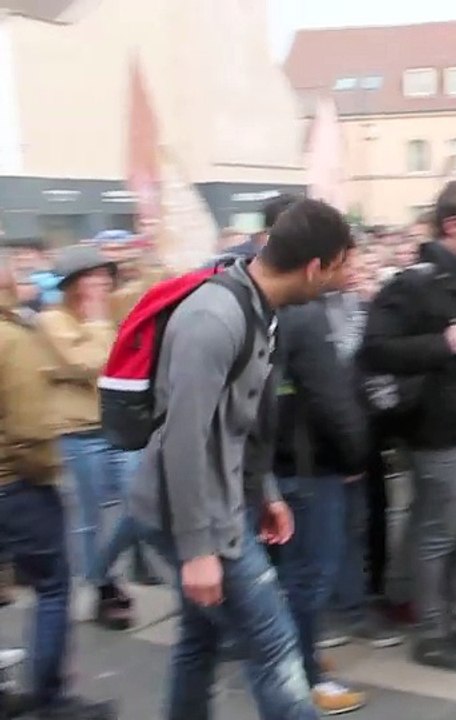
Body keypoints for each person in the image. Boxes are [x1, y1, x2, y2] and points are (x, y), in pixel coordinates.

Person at [126, 198, 355, 720]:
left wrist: (266, 492)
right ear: (315, 266)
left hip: (216, 503)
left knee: (198, 641)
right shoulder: (215, 317)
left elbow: (239, 424)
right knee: (276, 652)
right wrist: (197, 549)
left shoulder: (256, 306)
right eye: (341, 266)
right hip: (198, 515)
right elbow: (185, 439)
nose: (344, 279)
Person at [360, 180, 456, 673]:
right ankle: (433, 630)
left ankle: (452, 612)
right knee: (438, 530)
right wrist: (440, 344)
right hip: (437, 429)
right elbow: (374, 349)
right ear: (453, 225)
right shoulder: (411, 283)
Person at [2, 252, 116, 720]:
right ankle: (49, 699)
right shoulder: (15, 338)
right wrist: (45, 470)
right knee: (52, 586)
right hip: (16, 482)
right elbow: (29, 426)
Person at [273, 241, 384, 713]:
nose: (354, 270)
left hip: (281, 460)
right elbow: (333, 398)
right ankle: (304, 673)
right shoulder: (306, 316)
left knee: (292, 572)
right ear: (318, 264)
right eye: (346, 262)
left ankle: (300, 653)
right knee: (310, 574)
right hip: (310, 462)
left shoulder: (268, 305)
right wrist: (355, 454)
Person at [37, 246, 156, 634]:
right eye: (93, 276)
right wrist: (100, 324)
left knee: (139, 502)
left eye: (106, 275)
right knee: (90, 519)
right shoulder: (52, 320)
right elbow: (92, 361)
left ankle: (96, 571)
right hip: (80, 432)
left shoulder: (108, 310)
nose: (102, 282)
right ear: (73, 282)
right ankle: (106, 588)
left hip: (115, 427)